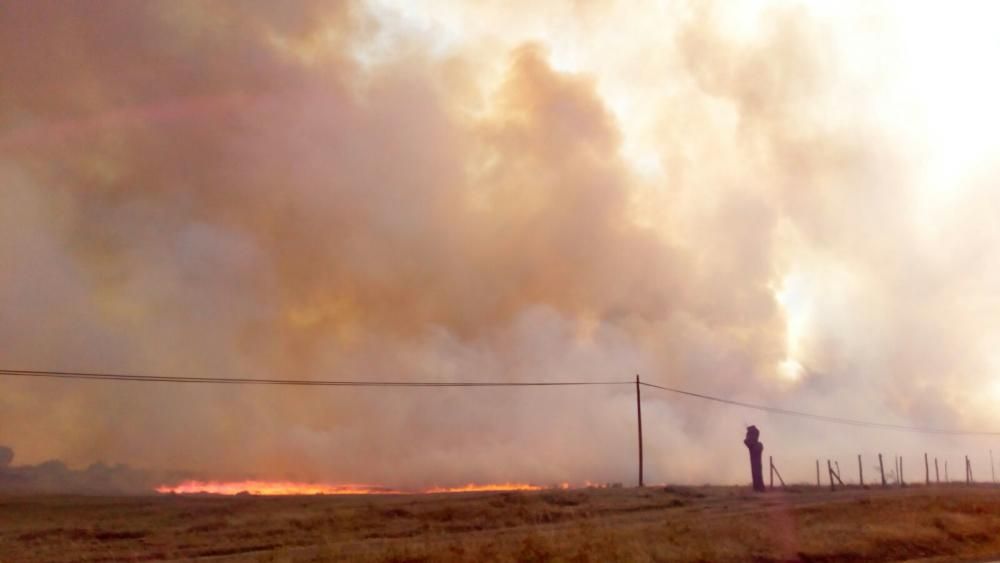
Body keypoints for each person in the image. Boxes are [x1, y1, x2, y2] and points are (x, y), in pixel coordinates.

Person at [744, 425, 765, 492]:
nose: (747, 436)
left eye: (748, 435)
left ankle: (758, 488)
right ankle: (759, 488)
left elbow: (746, 441)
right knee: (756, 473)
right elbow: (746, 441)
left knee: (756, 473)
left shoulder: (757, 445)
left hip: (756, 464)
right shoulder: (758, 445)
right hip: (756, 464)